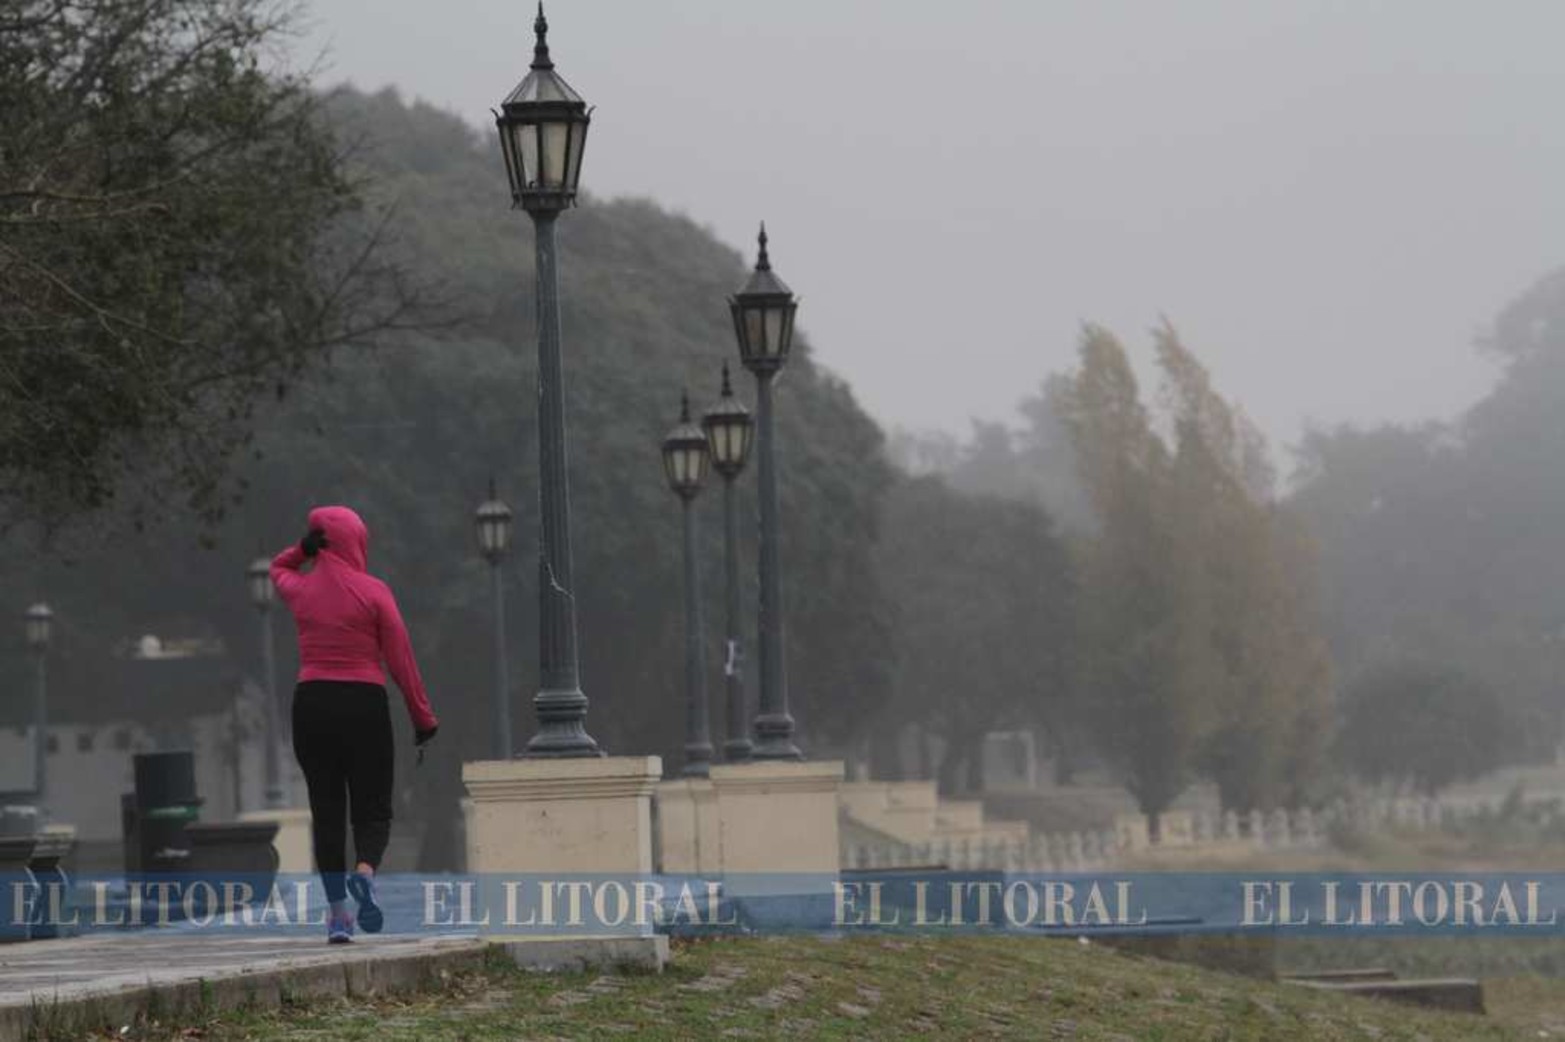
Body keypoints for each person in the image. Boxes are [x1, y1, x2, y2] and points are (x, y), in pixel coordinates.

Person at [270, 505, 439, 943]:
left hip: (311, 704)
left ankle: (338, 917)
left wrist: (301, 550)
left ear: (319, 541)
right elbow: (401, 660)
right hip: (364, 704)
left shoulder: (301, 589)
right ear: (357, 541)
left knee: (326, 811)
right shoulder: (375, 592)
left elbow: (277, 568)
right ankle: (364, 872)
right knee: (373, 806)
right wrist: (422, 717)